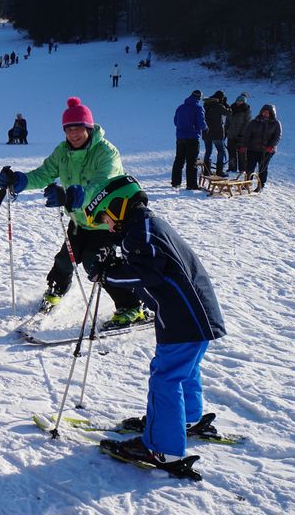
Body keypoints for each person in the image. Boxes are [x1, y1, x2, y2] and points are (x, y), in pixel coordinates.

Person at [84, 175, 225, 474]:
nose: (107, 225)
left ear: (119, 206)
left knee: (166, 378)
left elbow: (146, 275)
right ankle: (184, 419)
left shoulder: (141, 233)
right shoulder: (147, 227)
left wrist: (105, 275)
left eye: (106, 218)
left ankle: (163, 449)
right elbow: (151, 266)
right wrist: (115, 260)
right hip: (197, 315)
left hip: (182, 318)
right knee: (183, 372)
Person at [0, 97, 143, 326]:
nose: (74, 134)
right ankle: (56, 290)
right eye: (69, 129)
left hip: (105, 221)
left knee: (95, 264)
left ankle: (133, 306)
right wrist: (20, 180)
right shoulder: (62, 151)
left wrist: (73, 196)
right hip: (78, 220)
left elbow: (101, 186)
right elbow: (44, 173)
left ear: (89, 128)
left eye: (79, 129)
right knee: (66, 259)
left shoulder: (106, 152)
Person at [241, 104, 282, 192]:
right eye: (264, 111)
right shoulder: (254, 122)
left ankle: (261, 185)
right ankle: (247, 183)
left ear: (272, 113)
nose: (265, 113)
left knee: (262, 168)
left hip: (267, 150)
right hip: (253, 148)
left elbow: (277, 137)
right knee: (250, 167)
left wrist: (271, 146)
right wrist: (244, 145)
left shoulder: (276, 123)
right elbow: (247, 135)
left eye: (267, 112)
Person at [171, 90, 206, 190]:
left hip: (180, 137)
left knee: (179, 159)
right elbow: (201, 123)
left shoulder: (180, 107)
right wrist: (205, 128)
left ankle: (175, 182)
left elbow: (175, 121)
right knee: (191, 161)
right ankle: (191, 184)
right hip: (193, 137)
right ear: (199, 98)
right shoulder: (198, 108)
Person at [202, 91, 230, 176]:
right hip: (217, 133)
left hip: (206, 132)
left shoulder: (206, 105)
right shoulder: (219, 106)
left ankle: (206, 171)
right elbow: (229, 113)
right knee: (221, 151)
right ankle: (219, 171)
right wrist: (225, 104)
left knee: (208, 151)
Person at [225, 93, 251, 173]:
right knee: (231, 153)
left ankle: (242, 169)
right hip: (231, 134)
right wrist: (225, 131)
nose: (238, 102)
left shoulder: (246, 110)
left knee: (241, 154)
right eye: (237, 100)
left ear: (244, 102)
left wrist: (242, 134)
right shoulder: (231, 108)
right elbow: (227, 121)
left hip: (241, 136)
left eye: (240, 101)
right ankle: (232, 168)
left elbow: (247, 123)